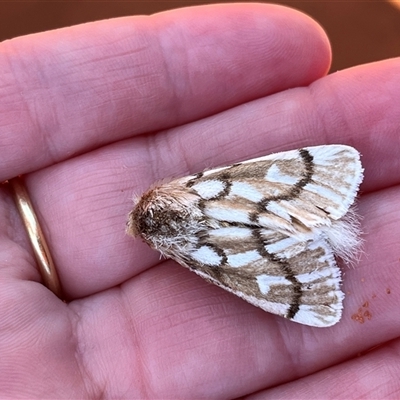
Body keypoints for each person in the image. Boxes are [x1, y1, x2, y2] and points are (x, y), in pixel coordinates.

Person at [1, 3, 399, 398]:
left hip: (214, 252)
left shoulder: (185, 253)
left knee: (240, 266)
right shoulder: (200, 186)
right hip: (221, 191)